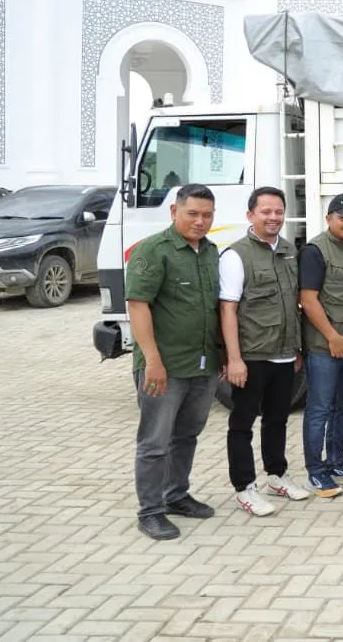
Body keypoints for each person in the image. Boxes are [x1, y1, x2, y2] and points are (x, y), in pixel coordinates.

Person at [126, 184, 221, 540]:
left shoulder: (210, 252)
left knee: (187, 436)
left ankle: (176, 495)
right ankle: (150, 511)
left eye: (207, 215)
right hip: (164, 367)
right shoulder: (153, 251)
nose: (200, 221)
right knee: (154, 443)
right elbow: (138, 306)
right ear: (173, 212)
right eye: (192, 213)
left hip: (202, 364)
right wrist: (152, 360)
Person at [220, 187, 311, 517]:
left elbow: (293, 304)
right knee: (242, 423)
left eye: (278, 212)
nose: (273, 217)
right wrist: (234, 359)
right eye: (266, 212)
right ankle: (244, 488)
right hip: (252, 355)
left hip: (284, 354)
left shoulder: (288, 251)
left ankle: (277, 475)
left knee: (278, 419)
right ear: (251, 215)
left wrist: (296, 348)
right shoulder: (236, 255)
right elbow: (228, 309)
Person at [299, 193, 343, 499]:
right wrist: (331, 335)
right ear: (329, 219)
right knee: (320, 409)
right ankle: (316, 472)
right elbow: (308, 299)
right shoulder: (315, 250)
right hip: (325, 347)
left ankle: (337, 463)